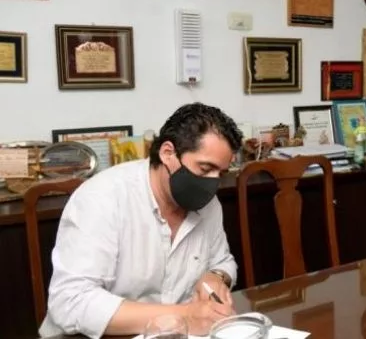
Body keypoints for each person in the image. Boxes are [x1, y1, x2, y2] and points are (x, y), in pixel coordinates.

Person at [39, 103, 244, 339]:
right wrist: (185, 315)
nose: (213, 184)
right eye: (205, 168)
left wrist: (216, 277)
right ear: (168, 153)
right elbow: (70, 302)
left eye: (221, 173)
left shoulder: (208, 203)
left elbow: (223, 261)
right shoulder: (102, 198)